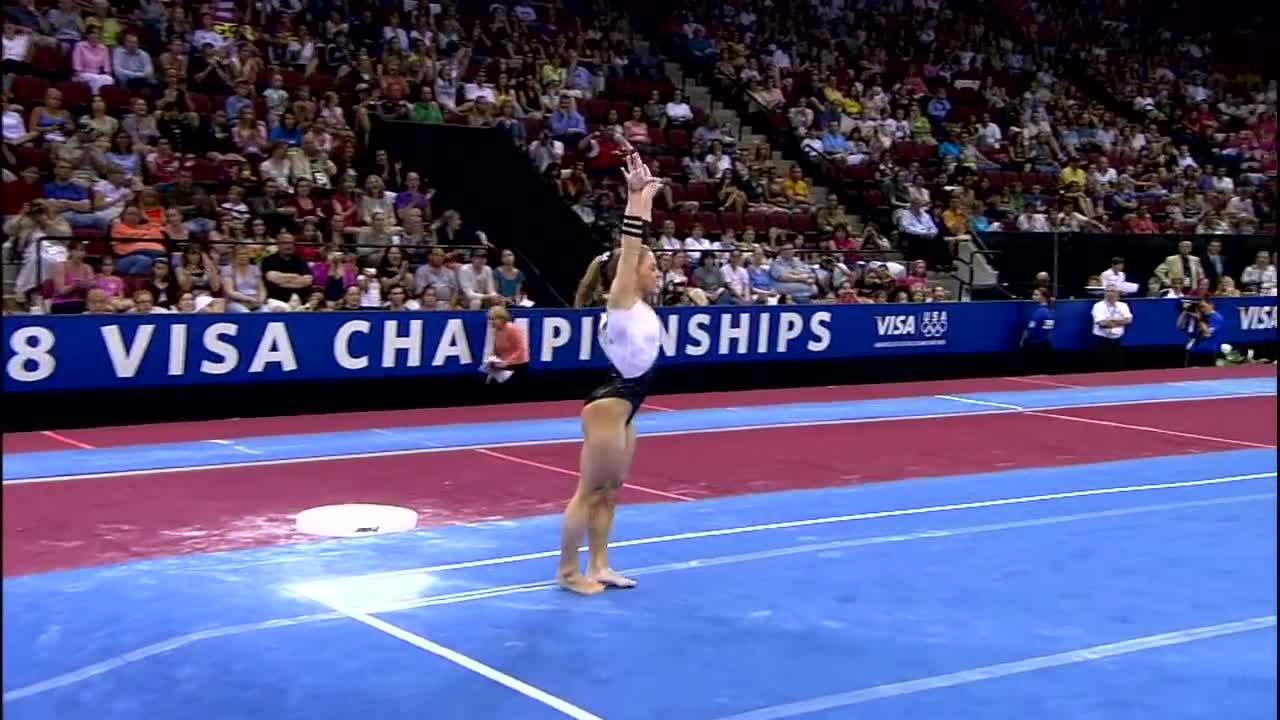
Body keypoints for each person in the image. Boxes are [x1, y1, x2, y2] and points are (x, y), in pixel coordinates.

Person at [557, 154, 662, 595]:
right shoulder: (619, 300)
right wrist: (635, 198)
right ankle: (568, 572)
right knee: (589, 490)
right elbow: (632, 248)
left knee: (612, 491)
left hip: (629, 405)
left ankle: (600, 563)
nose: (658, 272)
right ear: (628, 275)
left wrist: (648, 201)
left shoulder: (635, 303)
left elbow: (639, 248)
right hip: (609, 402)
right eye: (652, 268)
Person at [483, 306, 530, 385]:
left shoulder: (513, 329)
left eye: (494, 319)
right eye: (490, 319)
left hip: (518, 365)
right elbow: (495, 352)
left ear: (502, 318)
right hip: (504, 363)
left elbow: (521, 349)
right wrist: (491, 370)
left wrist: (507, 362)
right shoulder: (497, 331)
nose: (492, 322)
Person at [1090, 285, 1132, 371]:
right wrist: (1120, 322)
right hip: (1102, 340)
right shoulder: (1098, 306)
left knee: (1117, 369)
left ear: (1118, 294)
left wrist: (1112, 321)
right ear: (1105, 293)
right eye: (1108, 291)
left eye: (1113, 291)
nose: (1111, 293)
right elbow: (1103, 323)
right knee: (1101, 368)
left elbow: (1128, 320)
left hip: (1117, 340)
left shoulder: (1123, 305)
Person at [1019, 287, 1055, 373]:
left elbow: (1031, 329)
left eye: (1036, 295)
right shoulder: (1051, 311)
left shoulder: (1040, 312)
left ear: (1043, 297)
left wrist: (1023, 340)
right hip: (1045, 343)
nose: (1033, 297)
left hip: (1035, 345)